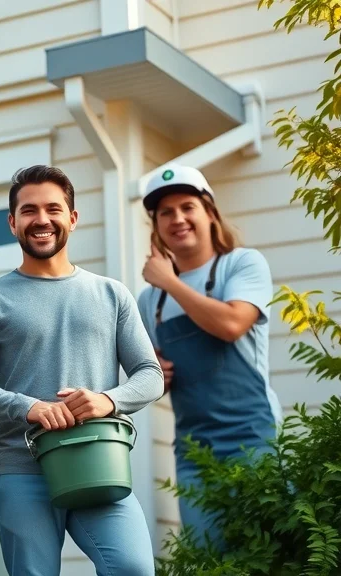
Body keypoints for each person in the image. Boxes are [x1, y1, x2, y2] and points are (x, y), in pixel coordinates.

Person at [0, 164, 164, 575]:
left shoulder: (111, 294)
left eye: (53, 208)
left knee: (134, 568)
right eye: (29, 211)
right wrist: (27, 407)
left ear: (72, 218)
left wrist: (107, 399)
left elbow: (149, 375)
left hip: (98, 458)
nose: (42, 220)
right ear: (13, 223)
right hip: (23, 466)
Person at [137, 162, 281, 544]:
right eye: (166, 212)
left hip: (254, 439)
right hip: (194, 453)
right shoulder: (148, 301)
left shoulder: (242, 264)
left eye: (187, 207)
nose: (177, 219)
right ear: (157, 225)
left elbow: (232, 324)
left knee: (265, 552)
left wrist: (170, 280)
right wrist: (156, 379)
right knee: (208, 558)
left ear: (210, 213)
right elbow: (148, 376)